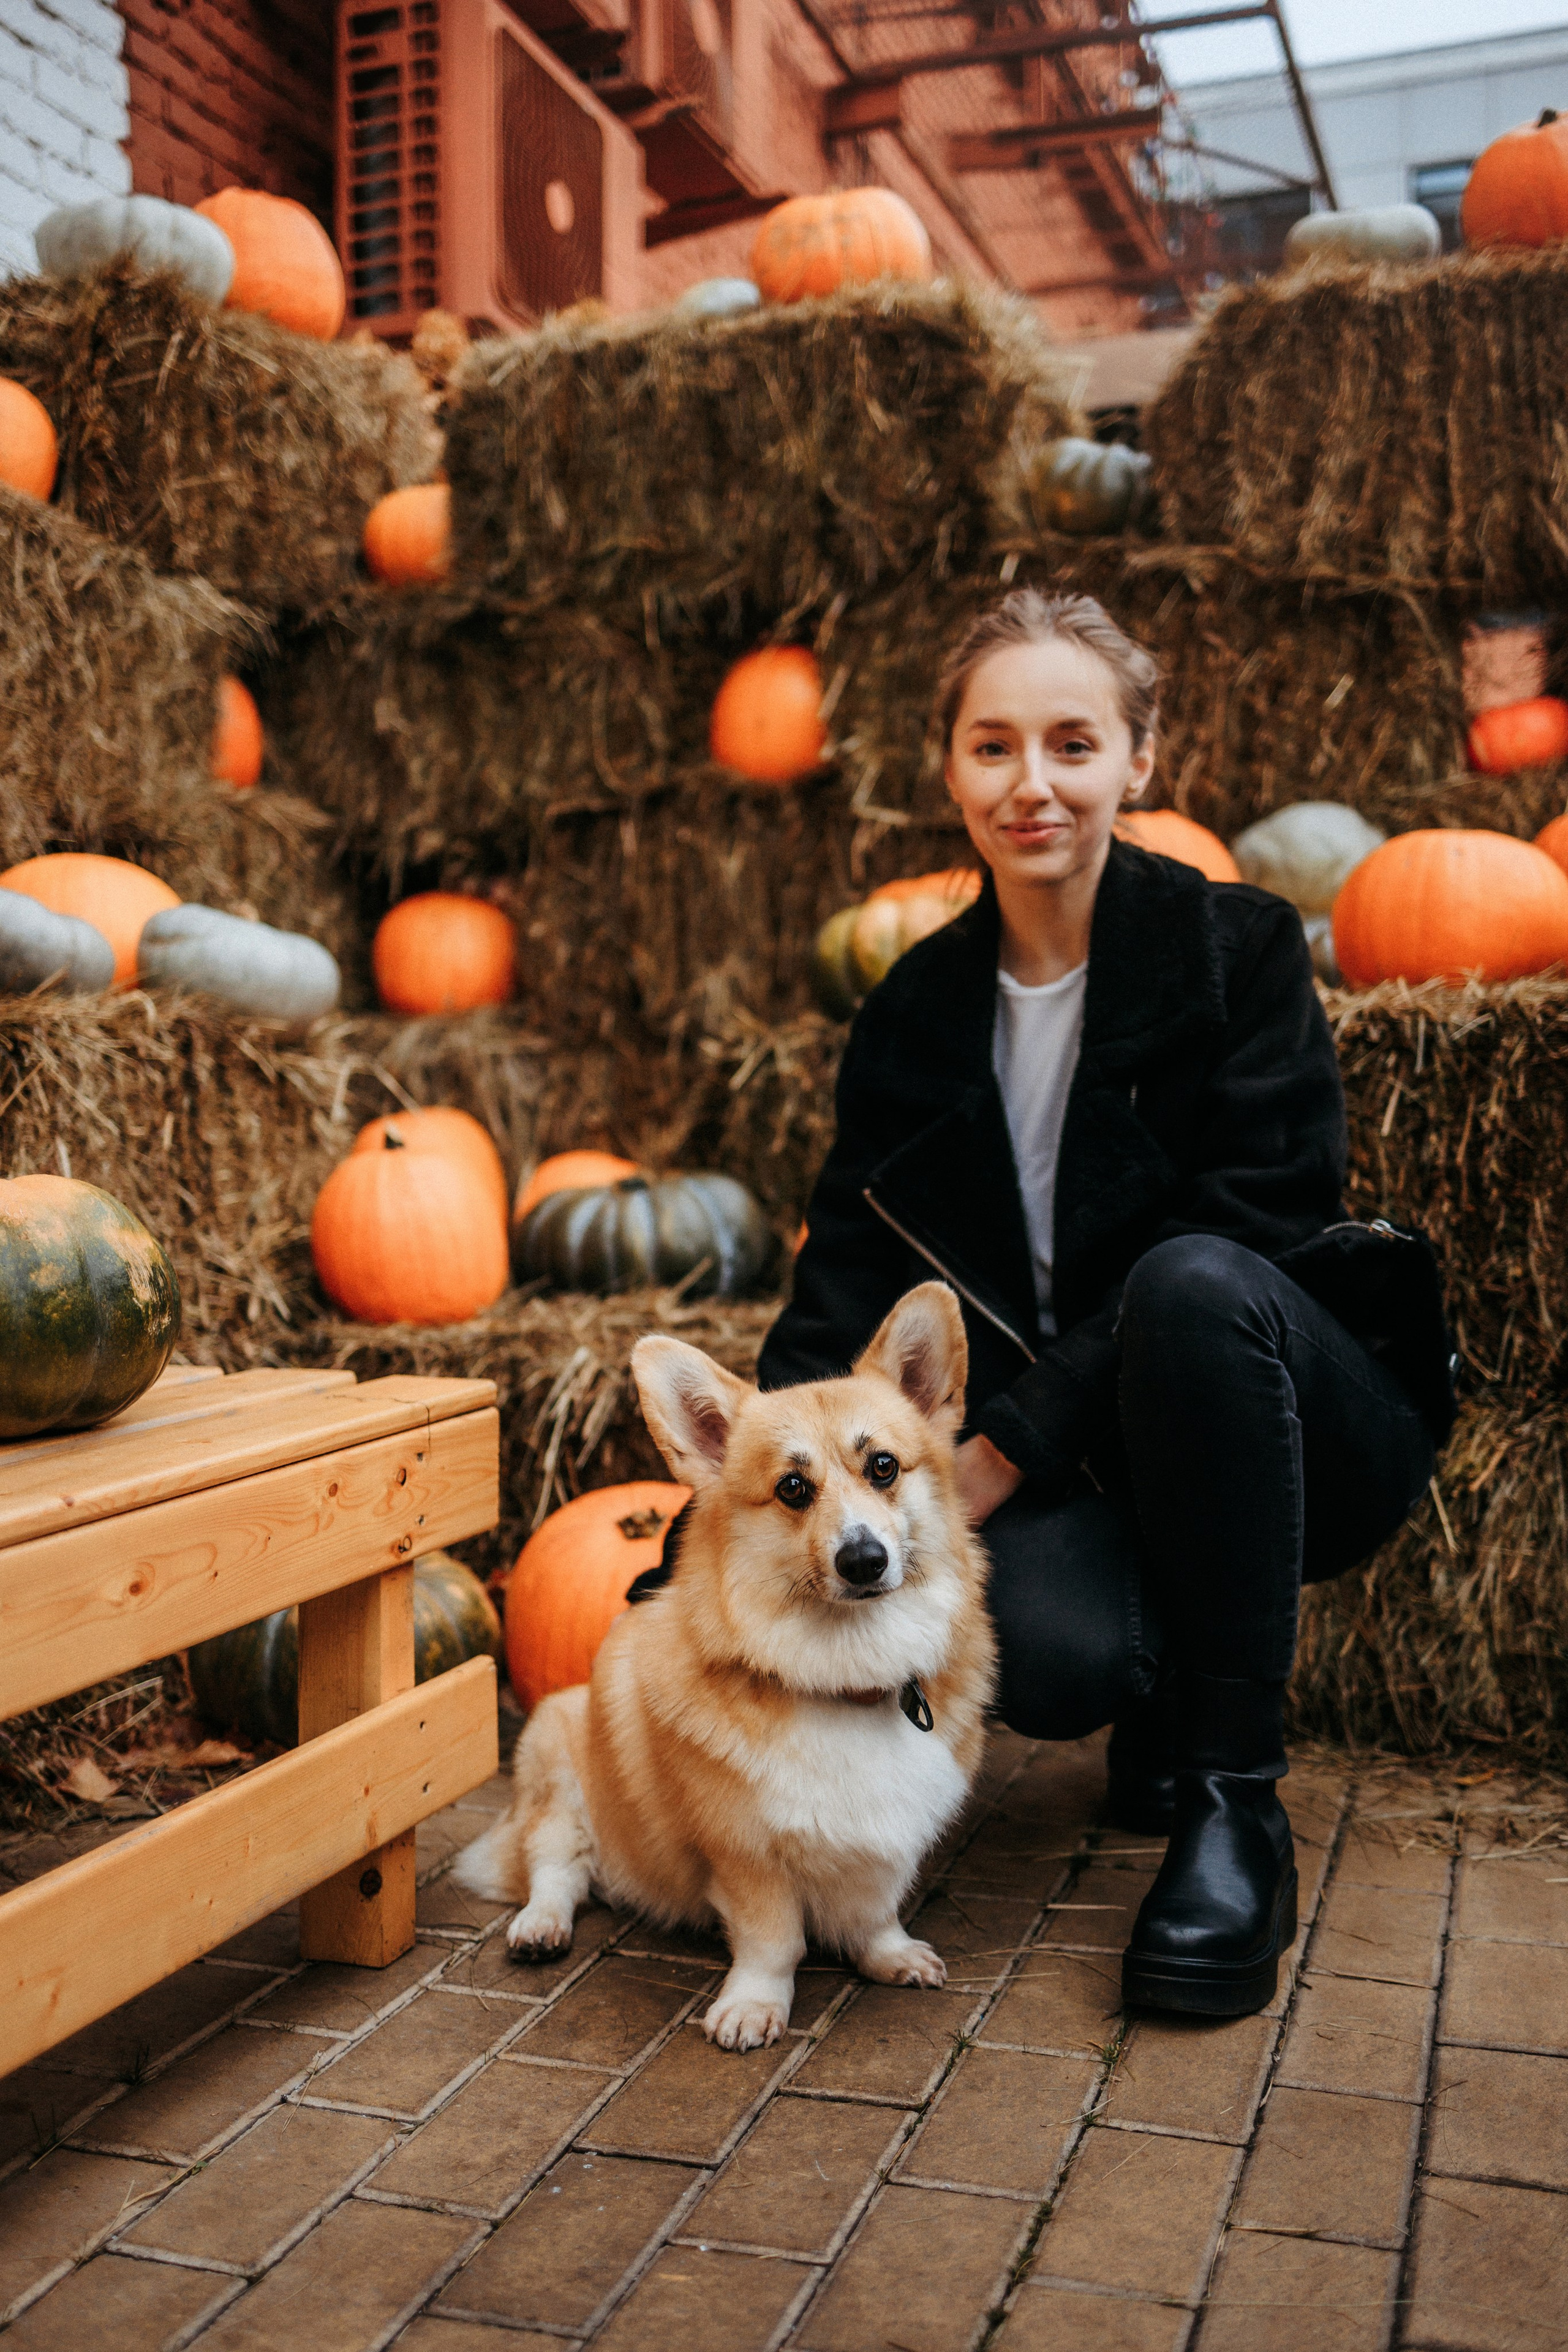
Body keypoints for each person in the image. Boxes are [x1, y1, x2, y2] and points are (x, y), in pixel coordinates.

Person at [753, 588, 1453, 2019]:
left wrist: (994, 1449)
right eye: (992, 746)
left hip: (1291, 1423)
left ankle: (1230, 1800)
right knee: (1055, 1659)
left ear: (1137, 760)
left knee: (1191, 1281)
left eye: (1071, 742)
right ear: (946, 770)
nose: (1031, 784)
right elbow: (841, 1289)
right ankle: (1151, 1684)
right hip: (1089, 1467)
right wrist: (732, 1538)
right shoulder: (909, 1018)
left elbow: (1258, 1225)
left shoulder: (1233, 953)